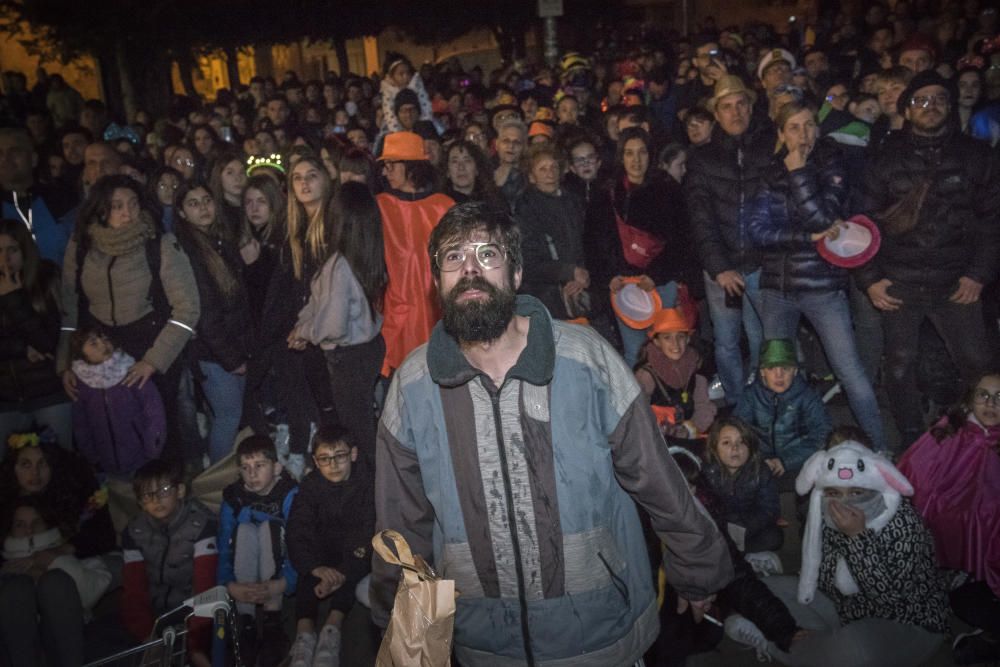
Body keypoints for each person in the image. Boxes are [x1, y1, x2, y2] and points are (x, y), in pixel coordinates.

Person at [372, 202, 732, 665]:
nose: (470, 269)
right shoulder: (413, 387)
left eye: (488, 254)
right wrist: (412, 639)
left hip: (600, 635)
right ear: (436, 278)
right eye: (454, 257)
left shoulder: (586, 361)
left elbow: (658, 479)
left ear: (517, 273)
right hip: (485, 643)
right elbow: (403, 526)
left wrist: (698, 569)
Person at [858, 70, 1000, 448]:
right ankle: (910, 441)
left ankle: (978, 438)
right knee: (900, 367)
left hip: (956, 282)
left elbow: (992, 220)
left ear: (951, 107)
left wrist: (979, 274)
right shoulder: (884, 158)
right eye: (921, 99)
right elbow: (864, 221)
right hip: (899, 279)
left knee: (978, 365)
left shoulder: (977, 156)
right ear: (907, 108)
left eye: (939, 99)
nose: (930, 106)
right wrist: (870, 279)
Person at [729, 442, 950, 666]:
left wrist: (857, 538)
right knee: (765, 590)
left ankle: (777, 645)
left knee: (856, 650)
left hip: (907, 623)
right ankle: (816, 645)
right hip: (846, 610)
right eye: (834, 492)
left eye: (856, 492)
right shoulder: (826, 512)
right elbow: (825, 582)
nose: (844, 503)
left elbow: (890, 601)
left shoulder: (904, 521)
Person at [747, 101, 885, 451]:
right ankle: (783, 449)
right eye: (794, 127)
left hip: (822, 288)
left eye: (809, 125)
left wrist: (799, 173)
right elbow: (758, 231)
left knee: (850, 373)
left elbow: (825, 219)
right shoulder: (768, 173)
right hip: (777, 289)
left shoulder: (832, 167)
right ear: (781, 134)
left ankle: (881, 448)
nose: (803, 134)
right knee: (776, 373)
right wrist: (806, 238)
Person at [60, 175, 200, 459]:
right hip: (101, 348)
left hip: (149, 342)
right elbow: (70, 306)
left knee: (159, 427)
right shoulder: (83, 245)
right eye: (117, 206)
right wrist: (65, 361)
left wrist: (154, 361)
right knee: (111, 427)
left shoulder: (158, 244)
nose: (127, 213)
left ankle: (166, 486)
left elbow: (188, 308)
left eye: (133, 204)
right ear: (101, 210)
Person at [898, 372, 1000, 664]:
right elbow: (917, 471)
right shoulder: (950, 430)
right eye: (983, 394)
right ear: (969, 398)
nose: (991, 403)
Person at [686, 75, 775, 404]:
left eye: (741, 104)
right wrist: (719, 267)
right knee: (726, 340)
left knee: (762, 338)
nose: (735, 112)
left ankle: (764, 404)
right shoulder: (702, 158)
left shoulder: (770, 147)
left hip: (760, 265)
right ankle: (738, 408)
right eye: (727, 106)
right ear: (717, 113)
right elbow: (700, 218)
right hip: (722, 269)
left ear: (751, 108)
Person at [289, 182, 387, 463]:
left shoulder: (339, 265)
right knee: (363, 424)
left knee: (357, 432)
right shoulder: (364, 257)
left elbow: (333, 325)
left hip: (349, 357)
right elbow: (320, 303)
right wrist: (303, 325)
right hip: (366, 350)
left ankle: (370, 492)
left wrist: (306, 332)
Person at [586, 126, 698, 367]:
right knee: (635, 353)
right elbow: (595, 241)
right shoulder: (607, 192)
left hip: (659, 284)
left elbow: (682, 239)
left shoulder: (668, 190)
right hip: (624, 287)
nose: (636, 160)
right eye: (629, 153)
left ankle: (671, 403)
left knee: (669, 349)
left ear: (651, 155)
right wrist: (609, 276)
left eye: (642, 153)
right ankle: (639, 404)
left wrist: (657, 275)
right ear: (620, 156)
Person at [173, 181, 252, 464]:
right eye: (193, 203)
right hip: (215, 355)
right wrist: (232, 359)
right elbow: (207, 316)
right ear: (181, 213)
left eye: (206, 200)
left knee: (228, 415)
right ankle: (216, 483)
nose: (203, 208)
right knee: (227, 418)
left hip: (230, 346)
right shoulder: (191, 254)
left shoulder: (218, 240)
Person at [287, 425, 374, 667]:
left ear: (353, 454)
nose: (333, 465)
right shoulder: (310, 485)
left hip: (354, 551)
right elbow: (298, 527)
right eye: (325, 459)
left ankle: (332, 628)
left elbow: (368, 531)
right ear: (315, 461)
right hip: (322, 549)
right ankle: (304, 633)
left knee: (353, 566)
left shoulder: (367, 482)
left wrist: (342, 572)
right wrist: (315, 568)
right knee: (307, 566)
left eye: (340, 456)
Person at [121, 459, 218, 667]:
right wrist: (149, 638)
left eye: (164, 490)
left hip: (194, 617)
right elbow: (134, 591)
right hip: (154, 617)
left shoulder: (201, 525)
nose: (156, 499)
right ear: (139, 501)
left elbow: (205, 588)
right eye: (148, 494)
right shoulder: (134, 532)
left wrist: (196, 646)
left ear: (180, 491)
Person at [375, 131, 455, 377]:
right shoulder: (379, 206)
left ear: (410, 167)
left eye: (390, 165)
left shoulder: (444, 205)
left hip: (437, 311)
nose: (384, 172)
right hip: (394, 313)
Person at [0, 496, 113, 667]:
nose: (29, 530)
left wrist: (52, 561)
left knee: (55, 582)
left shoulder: (69, 559)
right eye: (20, 524)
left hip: (67, 646)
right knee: (17, 589)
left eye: (36, 523)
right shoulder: (6, 568)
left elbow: (88, 596)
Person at [217, 435, 298, 666]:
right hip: (246, 568)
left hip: (278, 571)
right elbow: (223, 543)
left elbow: (299, 542)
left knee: (269, 527)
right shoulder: (234, 497)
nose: (252, 474)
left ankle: (273, 619)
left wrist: (285, 583)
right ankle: (246, 620)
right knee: (243, 530)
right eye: (245, 468)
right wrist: (228, 584)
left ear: (276, 468)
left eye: (259, 466)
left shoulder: (289, 493)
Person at [0, 219, 70, 455]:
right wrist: (21, 348)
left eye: (12, 249)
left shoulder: (46, 278)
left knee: (60, 461)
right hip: (5, 396)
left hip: (48, 390)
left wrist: (14, 298)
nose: (5, 258)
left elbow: (48, 342)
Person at [70, 326, 165, 476]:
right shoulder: (81, 383)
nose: (103, 345)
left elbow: (154, 412)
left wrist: (153, 448)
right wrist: (90, 455)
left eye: (105, 339)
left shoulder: (132, 371)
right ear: (81, 352)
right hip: (105, 463)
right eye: (93, 343)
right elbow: (80, 423)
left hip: (140, 459)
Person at [735, 339, 831, 482]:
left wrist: (786, 461)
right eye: (771, 368)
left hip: (797, 461)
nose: (779, 375)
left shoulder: (807, 396)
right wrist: (756, 459)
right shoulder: (751, 396)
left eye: (785, 368)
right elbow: (736, 429)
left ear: (795, 370)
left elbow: (823, 433)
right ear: (762, 371)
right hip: (761, 462)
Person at [514, 143, 589, 321]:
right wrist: (567, 272)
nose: (550, 173)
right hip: (546, 295)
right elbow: (529, 259)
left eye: (554, 167)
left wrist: (582, 275)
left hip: (580, 288)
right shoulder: (526, 208)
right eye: (542, 169)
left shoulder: (574, 201)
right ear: (532, 177)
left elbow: (586, 243)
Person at [701, 418, 783, 563]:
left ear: (750, 447)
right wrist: (725, 527)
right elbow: (703, 509)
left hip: (747, 527)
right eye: (726, 442)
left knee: (774, 537)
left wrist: (744, 527)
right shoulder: (707, 472)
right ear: (715, 448)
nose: (735, 448)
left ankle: (739, 555)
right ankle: (734, 555)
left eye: (742, 442)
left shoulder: (761, 471)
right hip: (719, 528)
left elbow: (770, 509)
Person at [634, 307, 716, 440]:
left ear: (688, 339)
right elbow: (636, 413)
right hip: (656, 439)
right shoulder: (646, 376)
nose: (676, 344)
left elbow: (704, 407)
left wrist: (689, 430)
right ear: (656, 342)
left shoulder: (695, 370)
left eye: (680, 337)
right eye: (667, 338)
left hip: (688, 434)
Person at [0, 127, 75, 265]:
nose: (5, 159)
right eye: (0, 153)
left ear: (33, 159)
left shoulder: (62, 198)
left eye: (14, 152)